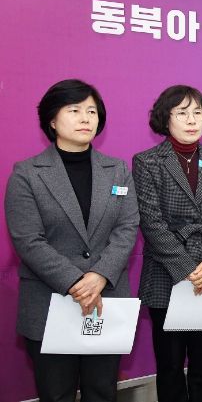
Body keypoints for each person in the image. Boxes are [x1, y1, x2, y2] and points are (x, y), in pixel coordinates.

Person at [5, 79, 139, 402]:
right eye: (74, 110)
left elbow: (127, 227)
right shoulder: (27, 174)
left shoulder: (118, 170)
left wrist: (100, 274)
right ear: (52, 120)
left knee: (102, 391)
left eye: (91, 111)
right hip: (49, 300)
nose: (85, 118)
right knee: (56, 394)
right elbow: (28, 240)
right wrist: (77, 281)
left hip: (106, 299)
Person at [133, 85, 202, 402]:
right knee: (170, 365)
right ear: (165, 119)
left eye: (197, 112)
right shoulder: (147, 162)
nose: (192, 120)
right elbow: (151, 222)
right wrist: (186, 269)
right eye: (182, 113)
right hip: (166, 274)